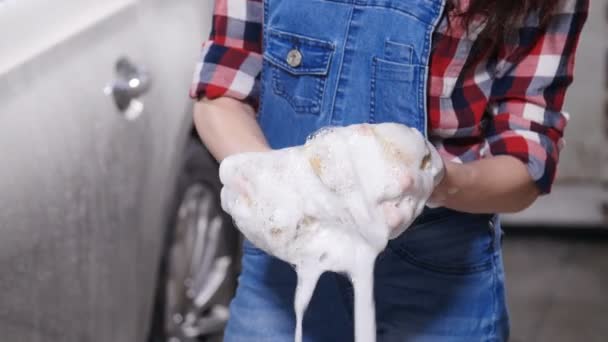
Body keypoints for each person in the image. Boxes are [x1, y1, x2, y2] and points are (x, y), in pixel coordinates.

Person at [190, 0, 588, 340]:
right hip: (281, 270)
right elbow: (222, 90)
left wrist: (439, 181)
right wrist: (279, 184)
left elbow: (526, 155)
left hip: (439, 279)